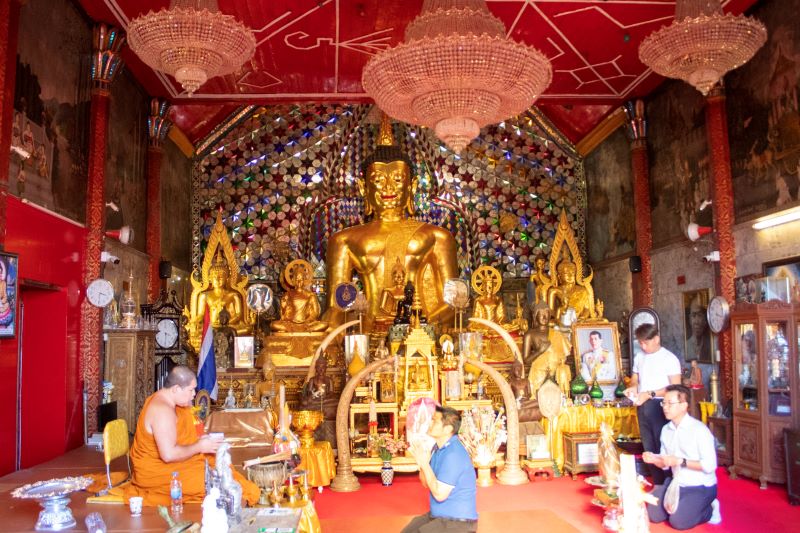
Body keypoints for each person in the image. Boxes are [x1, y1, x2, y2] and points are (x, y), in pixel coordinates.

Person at [325, 114, 459, 328]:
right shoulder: (344, 240)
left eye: (397, 179)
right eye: (378, 180)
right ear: (363, 187)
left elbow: (454, 302)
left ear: (412, 186)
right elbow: (336, 306)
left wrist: (419, 327)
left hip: (422, 331)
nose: (388, 188)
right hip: (367, 331)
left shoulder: (436, 237)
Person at [125, 366, 259, 506]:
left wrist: (202, 441)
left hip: (171, 465)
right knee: (218, 482)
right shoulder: (162, 411)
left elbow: (183, 435)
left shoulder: (170, 401)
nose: (194, 394)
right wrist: (200, 446)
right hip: (155, 472)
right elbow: (168, 455)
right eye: (190, 390)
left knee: (218, 468)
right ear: (176, 389)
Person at [643, 384, 721, 529]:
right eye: (663, 403)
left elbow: (710, 466)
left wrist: (681, 461)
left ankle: (710, 508)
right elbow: (666, 463)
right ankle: (682, 506)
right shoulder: (666, 430)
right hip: (676, 483)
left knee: (678, 522)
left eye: (670, 403)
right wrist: (654, 459)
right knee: (653, 515)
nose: (665, 407)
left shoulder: (699, 430)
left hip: (700, 486)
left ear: (684, 405)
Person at [402, 405, 478, 532]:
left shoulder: (453, 454)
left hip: (457, 523)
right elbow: (426, 483)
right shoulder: (437, 448)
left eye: (434, 420)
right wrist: (422, 463)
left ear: (447, 428)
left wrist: (425, 464)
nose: (430, 423)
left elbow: (439, 495)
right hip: (438, 517)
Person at [624, 323, 682, 485]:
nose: (643, 346)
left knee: (662, 445)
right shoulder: (639, 357)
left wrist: (650, 394)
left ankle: (670, 484)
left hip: (661, 407)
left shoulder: (669, 359)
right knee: (649, 448)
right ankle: (658, 485)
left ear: (656, 339)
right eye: (640, 343)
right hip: (642, 406)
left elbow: (675, 387)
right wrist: (633, 387)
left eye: (646, 343)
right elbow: (635, 378)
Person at [523, 304, 572, 395]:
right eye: (541, 313)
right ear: (535, 316)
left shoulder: (557, 334)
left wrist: (561, 363)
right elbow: (526, 360)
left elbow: (565, 357)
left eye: (547, 313)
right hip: (538, 372)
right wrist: (539, 351)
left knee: (559, 398)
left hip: (556, 372)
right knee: (538, 399)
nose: (544, 316)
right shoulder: (530, 334)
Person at [272, 260, 327, 332]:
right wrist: (283, 305)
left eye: (301, 279)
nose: (299, 282)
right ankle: (300, 330)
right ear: (293, 280)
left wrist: (308, 321)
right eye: (297, 279)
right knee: (273, 325)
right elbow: (283, 314)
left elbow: (315, 313)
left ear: (304, 280)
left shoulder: (310, 295)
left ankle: (305, 329)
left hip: (306, 324)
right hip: (291, 324)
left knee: (325, 324)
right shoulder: (288, 294)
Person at [685, 295, 711, 362]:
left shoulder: (710, 346)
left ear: (705, 319)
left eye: (699, 315)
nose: (696, 321)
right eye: (693, 315)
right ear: (690, 319)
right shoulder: (687, 345)